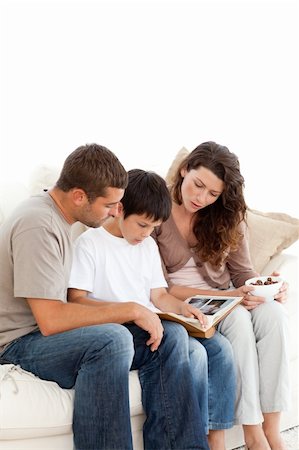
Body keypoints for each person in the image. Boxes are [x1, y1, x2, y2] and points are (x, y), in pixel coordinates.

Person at [0, 144, 210, 450]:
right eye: (109, 205)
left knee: (170, 336)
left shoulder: (56, 219)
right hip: (19, 344)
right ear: (79, 196)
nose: (114, 212)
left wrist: (146, 312)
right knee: (111, 339)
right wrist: (133, 310)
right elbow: (50, 320)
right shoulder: (38, 225)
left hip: (44, 336)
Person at [68, 168, 236, 450]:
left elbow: (159, 295)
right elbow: (76, 301)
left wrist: (183, 308)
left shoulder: (146, 246)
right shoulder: (90, 244)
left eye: (153, 228)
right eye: (142, 225)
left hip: (150, 323)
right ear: (119, 209)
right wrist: (131, 310)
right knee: (180, 342)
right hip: (115, 330)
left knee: (209, 347)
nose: (147, 234)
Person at [153, 141, 290, 450]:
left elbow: (243, 274)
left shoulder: (227, 216)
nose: (201, 198)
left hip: (227, 293)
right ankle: (253, 433)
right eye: (197, 185)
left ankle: (273, 429)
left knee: (274, 315)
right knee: (239, 320)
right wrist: (232, 296)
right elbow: (163, 289)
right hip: (182, 300)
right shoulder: (156, 208)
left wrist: (267, 287)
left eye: (212, 194)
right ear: (185, 170)